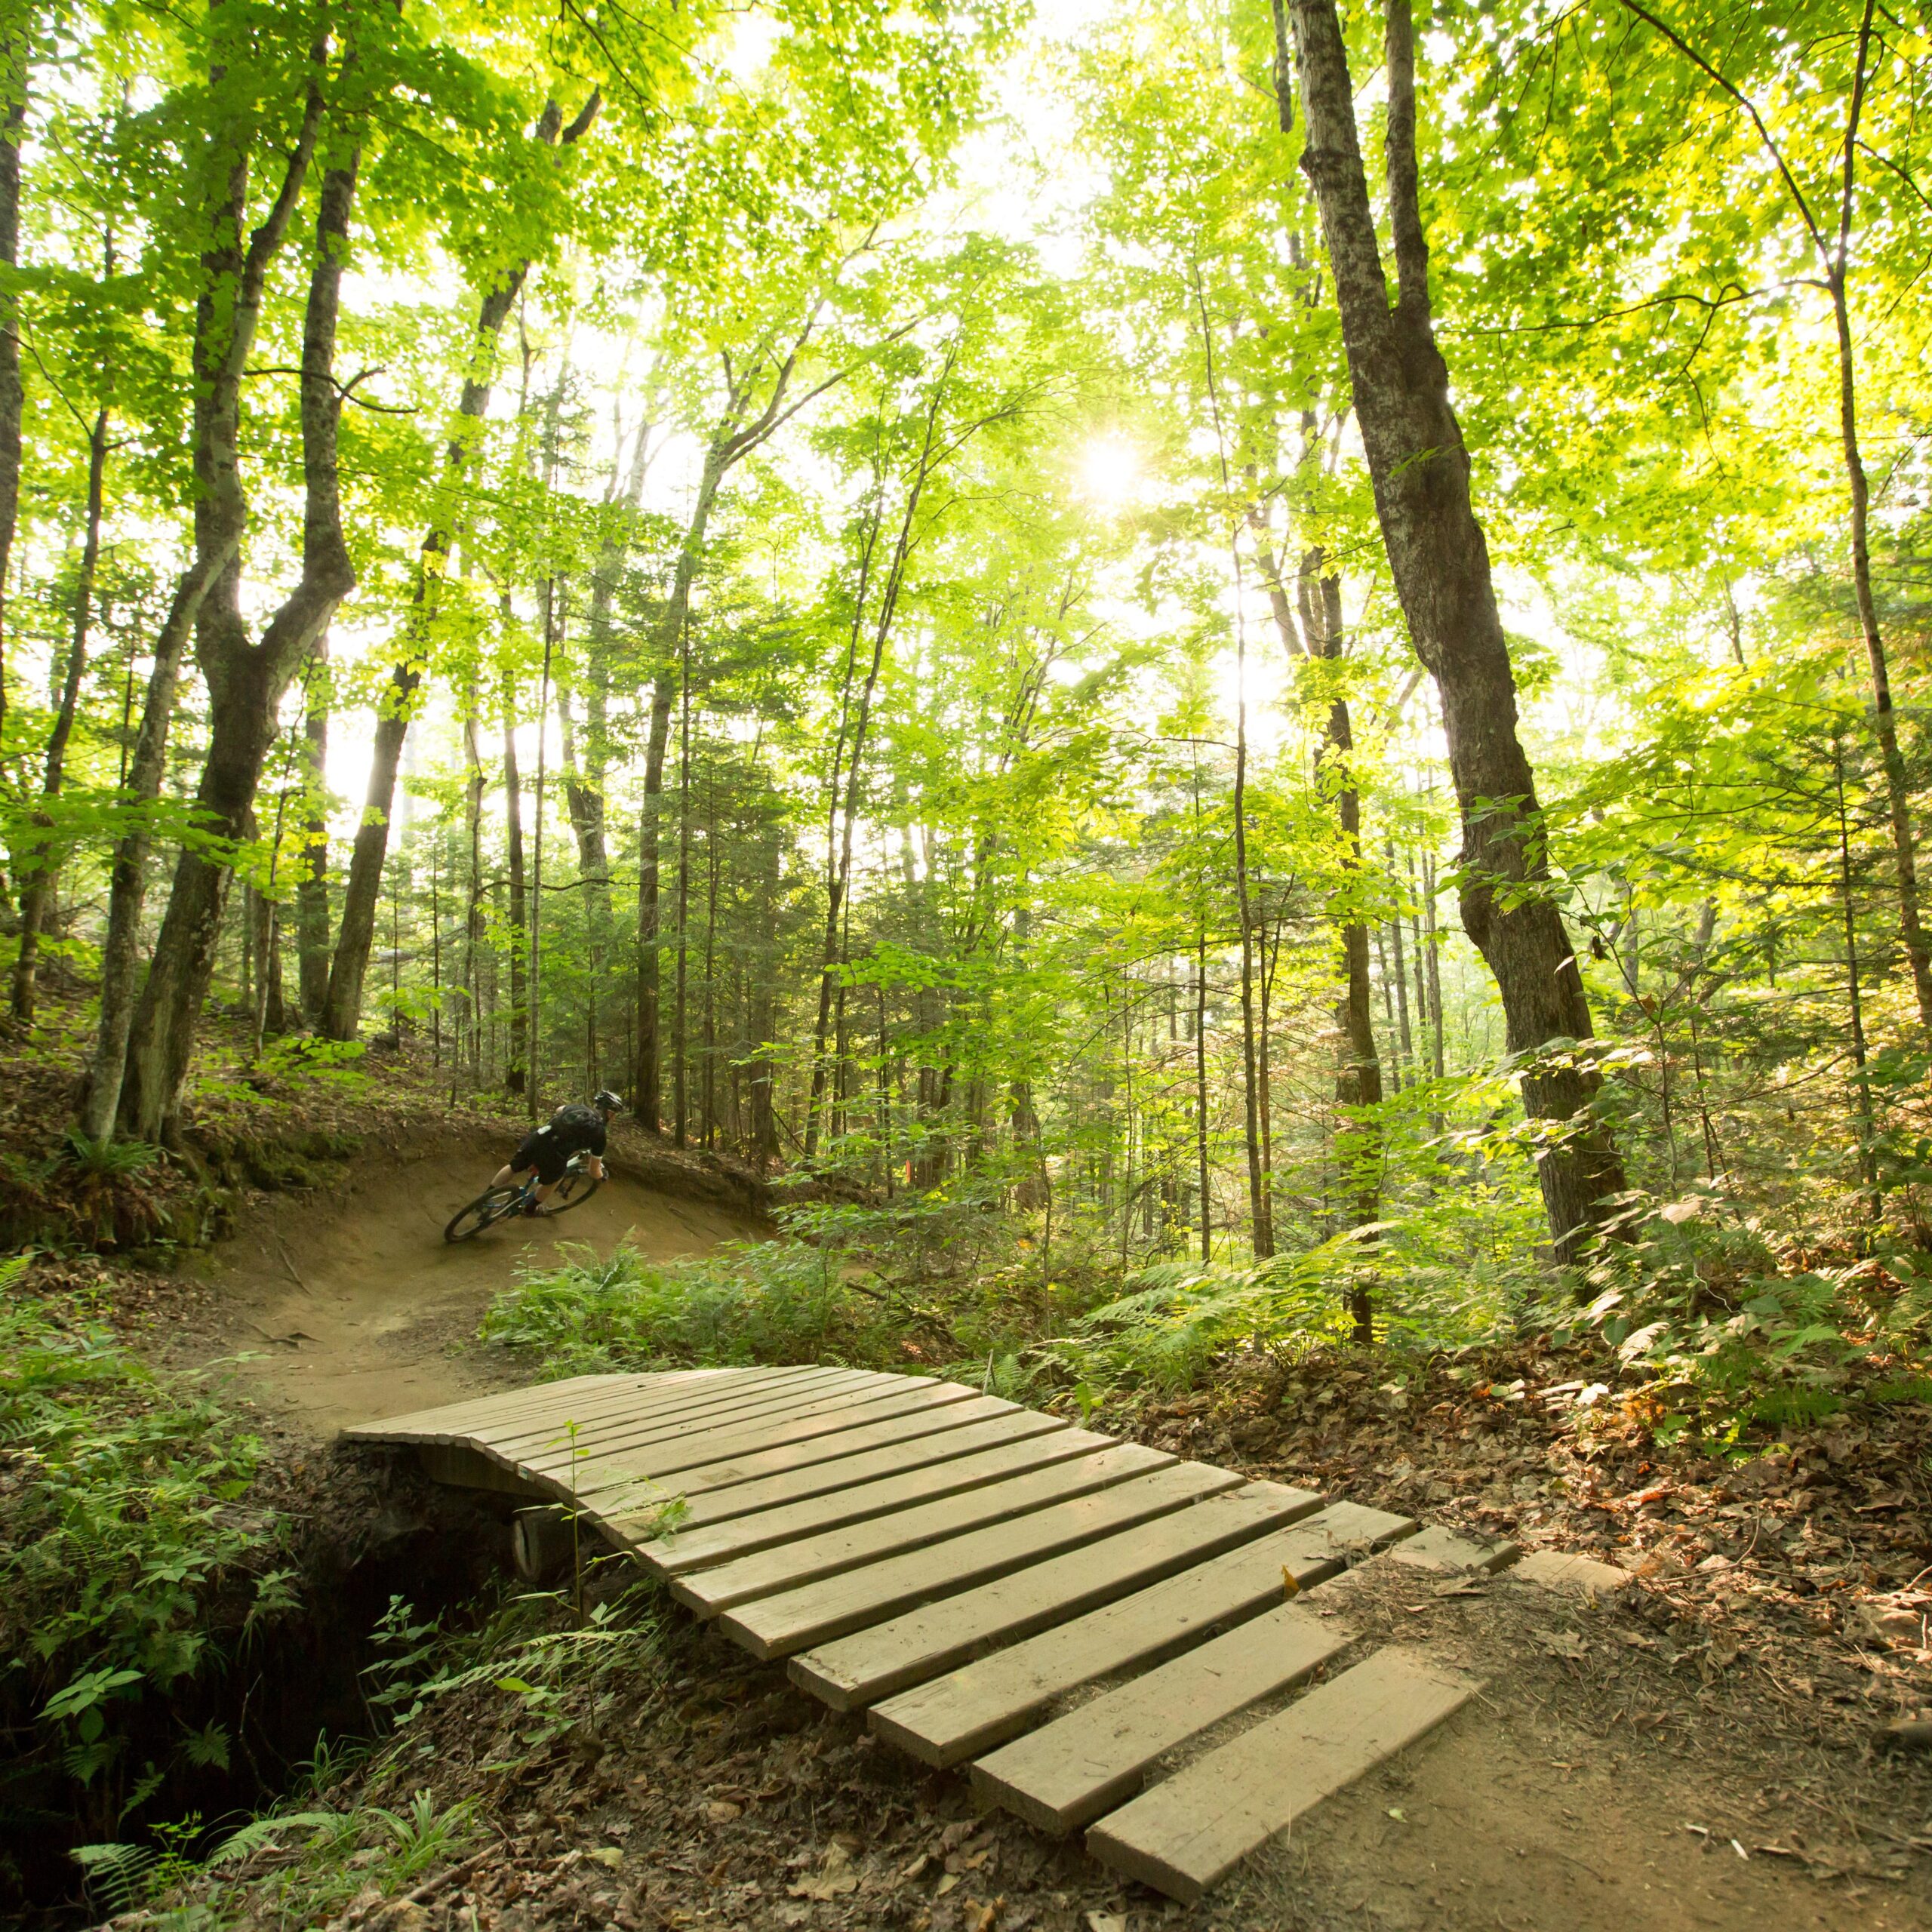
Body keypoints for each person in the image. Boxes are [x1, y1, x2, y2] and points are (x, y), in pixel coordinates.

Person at [493, 1091, 622, 1215]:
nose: (614, 1118)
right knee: (555, 1180)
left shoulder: (578, 1108)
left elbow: (559, 1109)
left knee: (513, 1167)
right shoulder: (600, 1135)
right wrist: (601, 1177)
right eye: (614, 1115)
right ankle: (530, 1209)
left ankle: (485, 1198)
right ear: (609, 1113)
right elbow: (593, 1171)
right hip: (555, 1155)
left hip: (539, 1138)